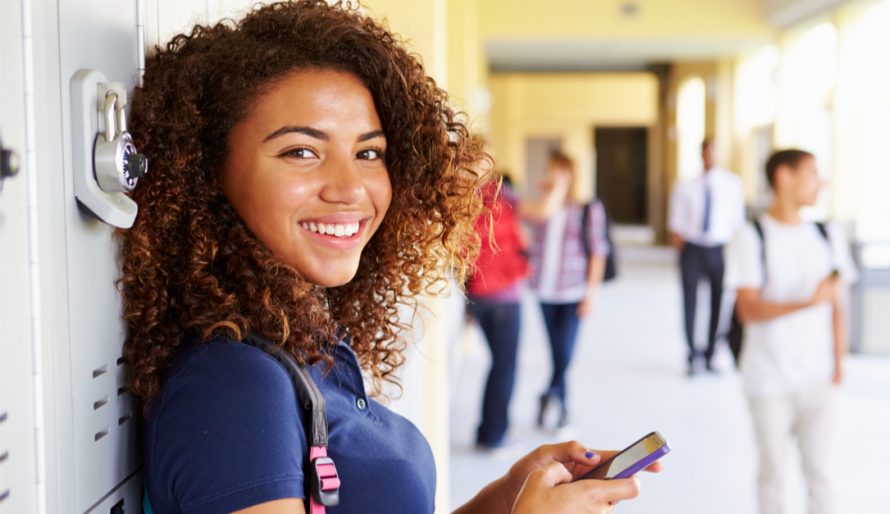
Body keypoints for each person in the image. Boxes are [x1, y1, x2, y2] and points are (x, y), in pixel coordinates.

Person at [121, 2, 658, 513]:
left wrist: (510, 496)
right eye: (302, 151)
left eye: (368, 153)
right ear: (206, 171)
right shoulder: (232, 385)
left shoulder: (303, 339)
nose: (351, 188)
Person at [726, 149, 856, 514]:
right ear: (784, 177)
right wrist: (807, 302)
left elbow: (837, 305)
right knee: (773, 474)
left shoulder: (828, 234)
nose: (822, 183)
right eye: (813, 173)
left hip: (818, 377)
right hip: (768, 379)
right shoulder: (750, 236)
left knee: (821, 473)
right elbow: (748, 309)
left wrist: (838, 363)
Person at [524, 151, 609, 431]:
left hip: (572, 292)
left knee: (564, 353)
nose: (550, 175)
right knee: (557, 352)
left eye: (557, 171)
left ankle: (554, 398)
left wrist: (591, 294)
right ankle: (556, 401)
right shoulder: (542, 208)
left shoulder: (587, 209)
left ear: (569, 175)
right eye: (548, 170)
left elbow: (598, 252)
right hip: (544, 291)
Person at [669, 138, 745, 375]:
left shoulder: (733, 184)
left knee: (718, 302)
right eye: (706, 152)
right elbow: (676, 221)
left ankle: (711, 353)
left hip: (719, 248)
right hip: (693, 247)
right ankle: (692, 353)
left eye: (714, 151)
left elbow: (737, 221)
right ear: (701, 154)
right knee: (690, 301)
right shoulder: (685, 186)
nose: (710, 156)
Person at [467, 175, 530, 450]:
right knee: (504, 367)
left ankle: (486, 429)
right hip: (507, 299)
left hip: (480, 297)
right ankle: (494, 433)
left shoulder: (470, 209)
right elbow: (523, 246)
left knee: (496, 364)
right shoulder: (510, 206)